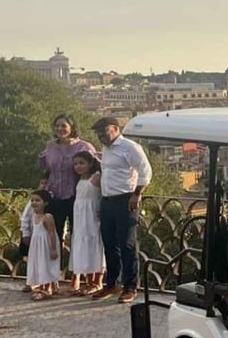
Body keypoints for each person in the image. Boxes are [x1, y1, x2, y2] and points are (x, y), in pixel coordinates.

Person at [90, 116, 153, 304]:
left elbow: (145, 171)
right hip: (108, 199)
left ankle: (130, 286)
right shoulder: (107, 149)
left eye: (105, 131)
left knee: (127, 244)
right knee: (109, 243)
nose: (102, 136)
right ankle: (111, 283)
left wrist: (137, 194)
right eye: (99, 133)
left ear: (116, 129)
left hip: (125, 199)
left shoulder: (130, 147)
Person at [36, 115, 97, 279]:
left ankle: (77, 276)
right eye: (57, 126)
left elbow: (95, 167)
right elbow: (46, 168)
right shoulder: (50, 147)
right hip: (54, 195)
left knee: (78, 236)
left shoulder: (83, 146)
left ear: (72, 127)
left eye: (64, 126)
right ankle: (51, 277)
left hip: (76, 197)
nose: (60, 129)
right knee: (53, 235)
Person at [68, 151, 105, 295]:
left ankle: (97, 282)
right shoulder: (80, 180)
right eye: (76, 164)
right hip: (80, 219)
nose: (78, 166)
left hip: (92, 218)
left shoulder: (96, 177)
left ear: (90, 163)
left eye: (82, 163)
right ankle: (88, 281)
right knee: (83, 248)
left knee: (95, 246)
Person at [26, 189, 62, 300]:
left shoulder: (48, 217)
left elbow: (51, 233)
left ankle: (47, 288)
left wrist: (53, 249)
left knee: (46, 265)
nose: (34, 202)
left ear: (45, 202)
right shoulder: (34, 216)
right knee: (39, 265)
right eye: (32, 200)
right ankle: (42, 286)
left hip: (46, 246)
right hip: (37, 246)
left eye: (38, 200)